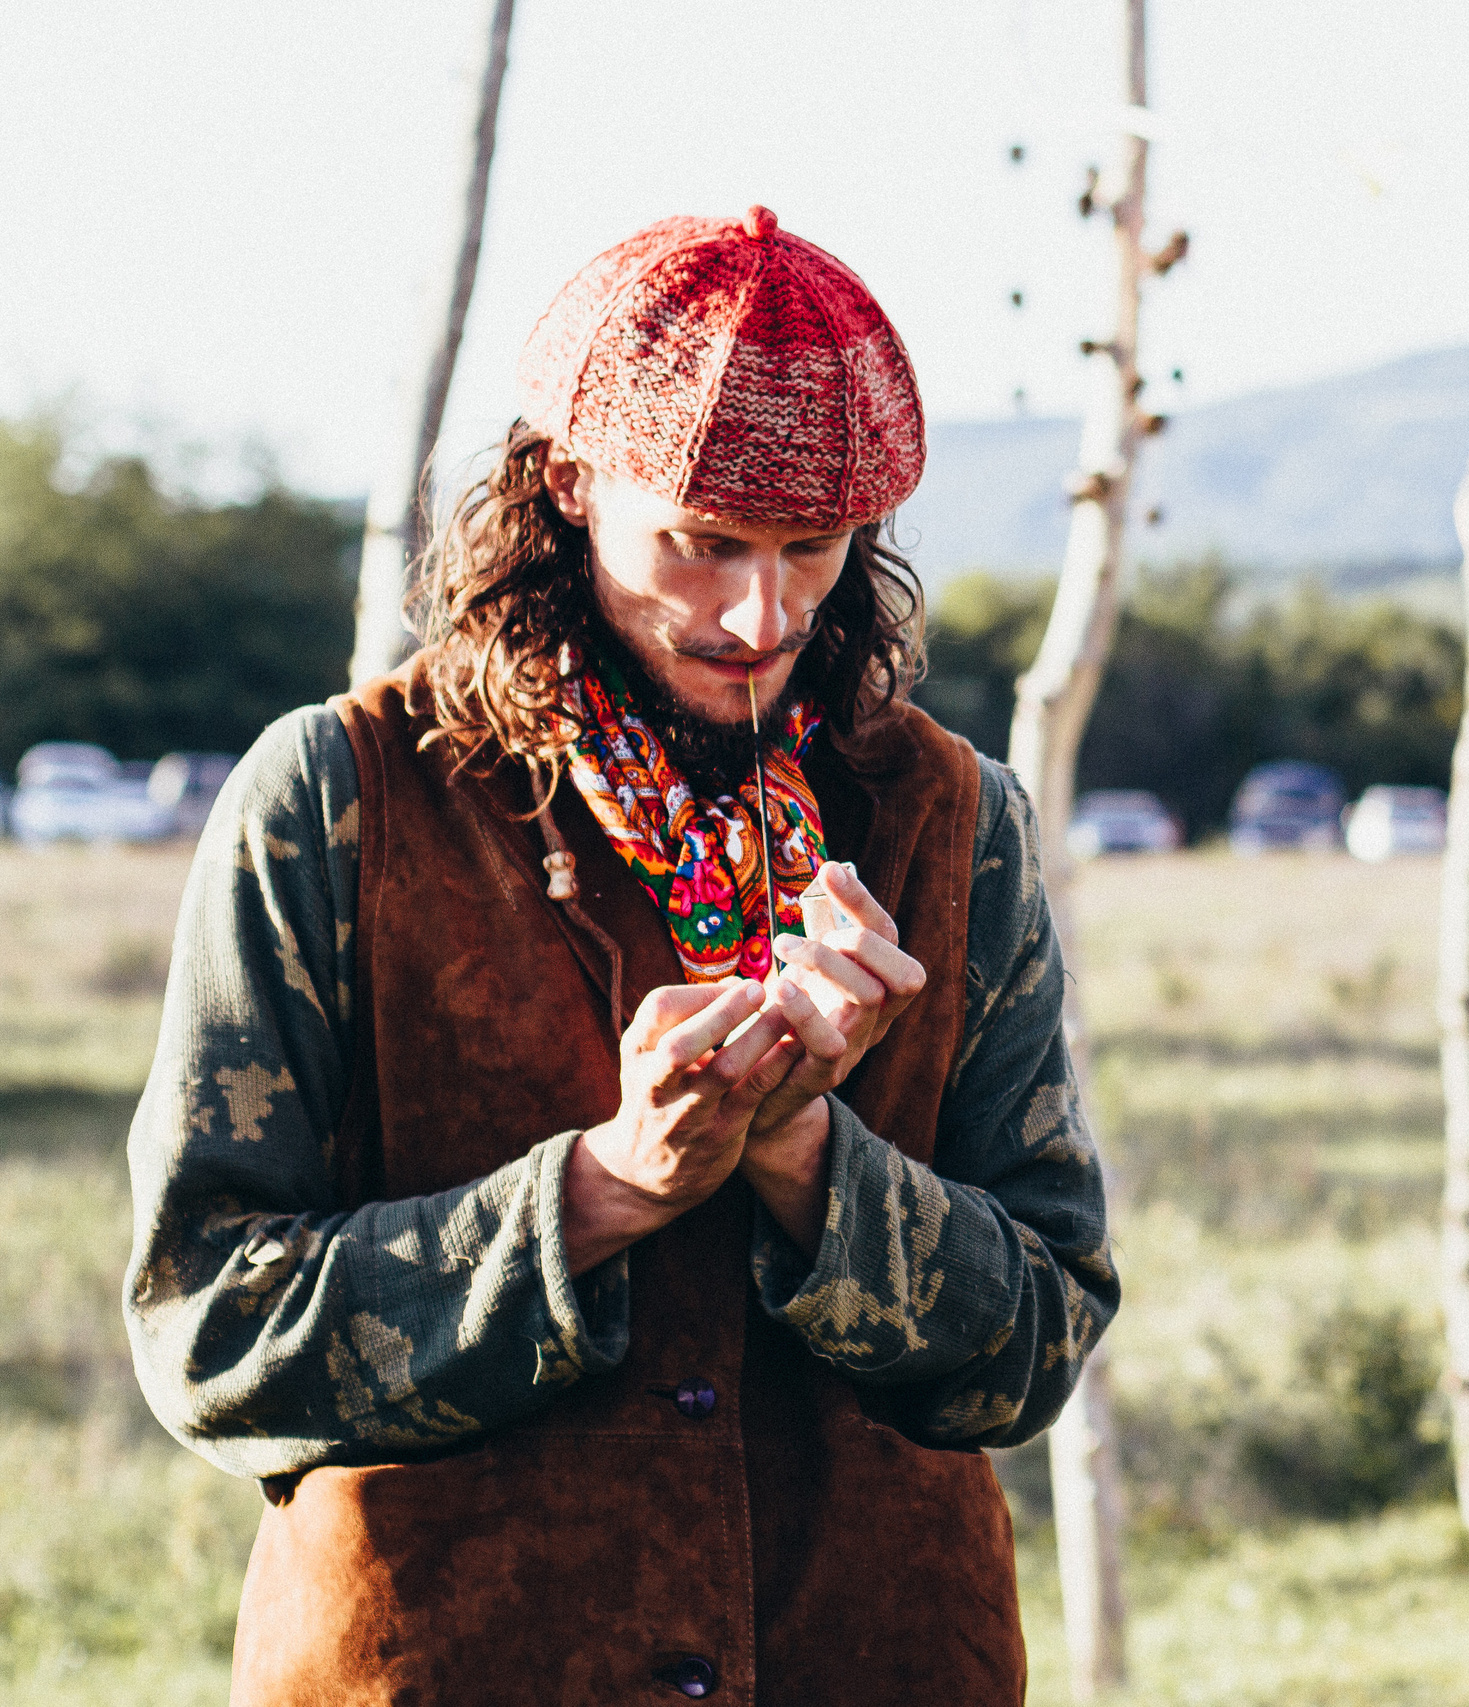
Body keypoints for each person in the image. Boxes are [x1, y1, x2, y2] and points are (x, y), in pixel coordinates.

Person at [121, 208, 1115, 1705]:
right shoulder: (334, 802)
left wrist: (808, 1163)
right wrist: (607, 1190)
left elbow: (1031, 1346)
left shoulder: (956, 822)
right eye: (704, 543)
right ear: (570, 482)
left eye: (811, 550)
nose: (760, 615)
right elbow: (210, 1330)